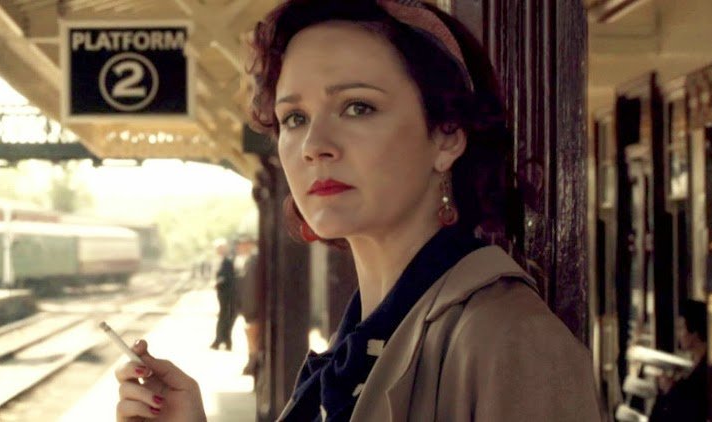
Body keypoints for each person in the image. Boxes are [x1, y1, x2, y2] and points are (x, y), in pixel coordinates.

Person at [114, 0, 602, 420]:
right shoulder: (361, 342)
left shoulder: (514, 342)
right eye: (294, 117)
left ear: (447, 135)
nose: (314, 145)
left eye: (357, 107)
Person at [649, 299, 708, 422]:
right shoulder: (690, 365)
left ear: (694, 332)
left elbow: (692, 411)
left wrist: (670, 389)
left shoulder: (705, 371)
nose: (678, 334)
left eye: (681, 328)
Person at [235, 235, 262, 376]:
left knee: (254, 342)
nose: (239, 247)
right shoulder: (249, 260)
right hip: (251, 309)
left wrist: (249, 311)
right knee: (253, 341)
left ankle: (253, 365)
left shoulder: (253, 260)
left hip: (254, 310)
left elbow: (251, 288)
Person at [210, 238, 236, 351]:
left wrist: (219, 282)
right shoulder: (221, 260)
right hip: (222, 293)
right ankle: (223, 340)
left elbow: (229, 277)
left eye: (220, 248)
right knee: (224, 316)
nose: (218, 250)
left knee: (224, 317)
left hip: (227, 293)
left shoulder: (227, 261)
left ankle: (220, 340)